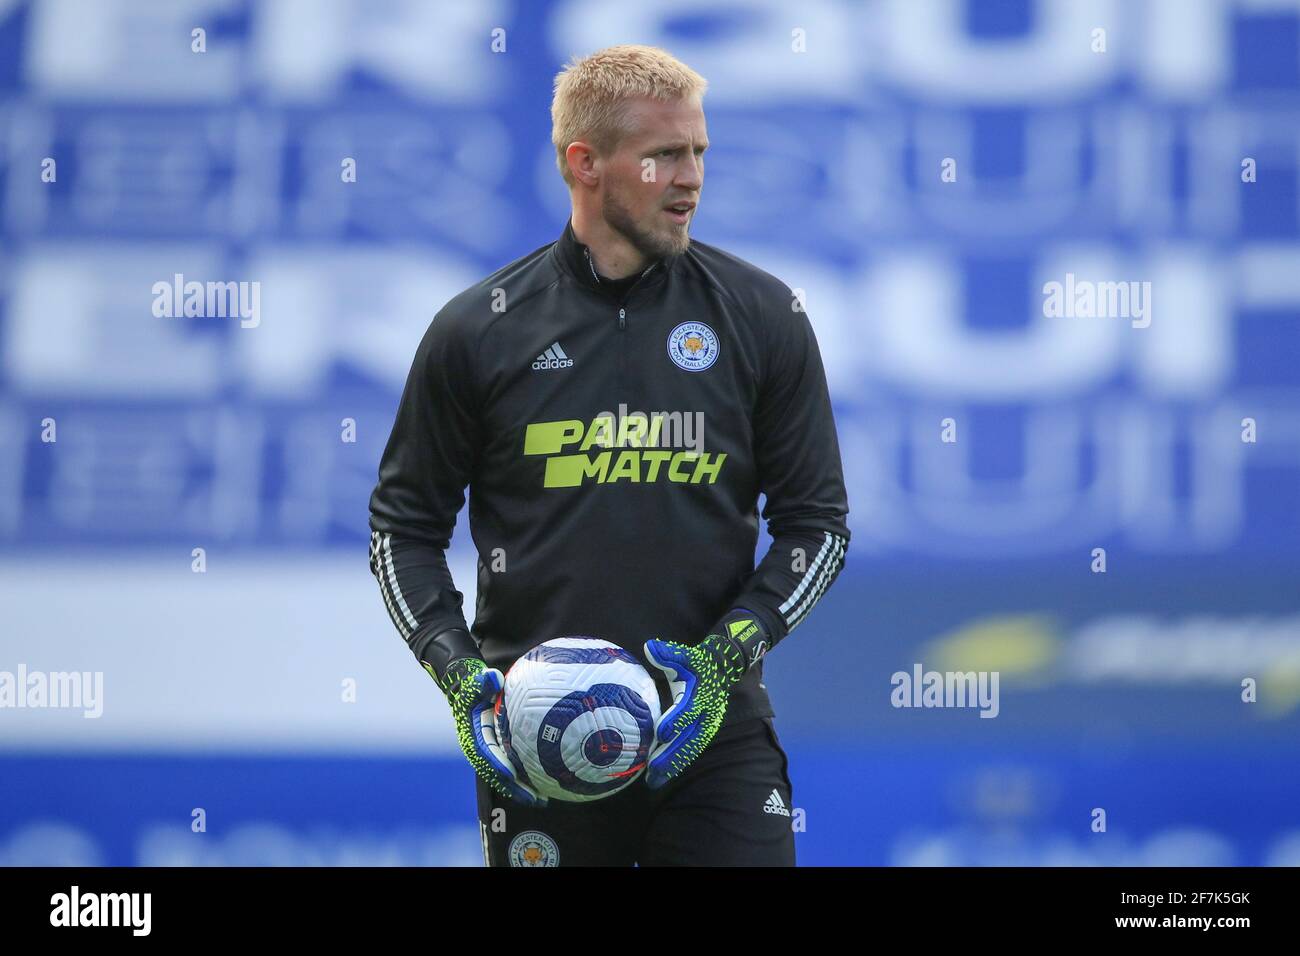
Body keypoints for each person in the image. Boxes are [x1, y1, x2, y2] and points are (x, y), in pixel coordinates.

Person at [367, 44, 849, 866]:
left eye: (699, 151)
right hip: (537, 743)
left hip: (711, 732)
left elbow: (819, 524)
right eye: (664, 155)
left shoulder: (764, 314)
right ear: (583, 163)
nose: (692, 177)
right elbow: (402, 530)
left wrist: (731, 649)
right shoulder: (477, 329)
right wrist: (456, 671)